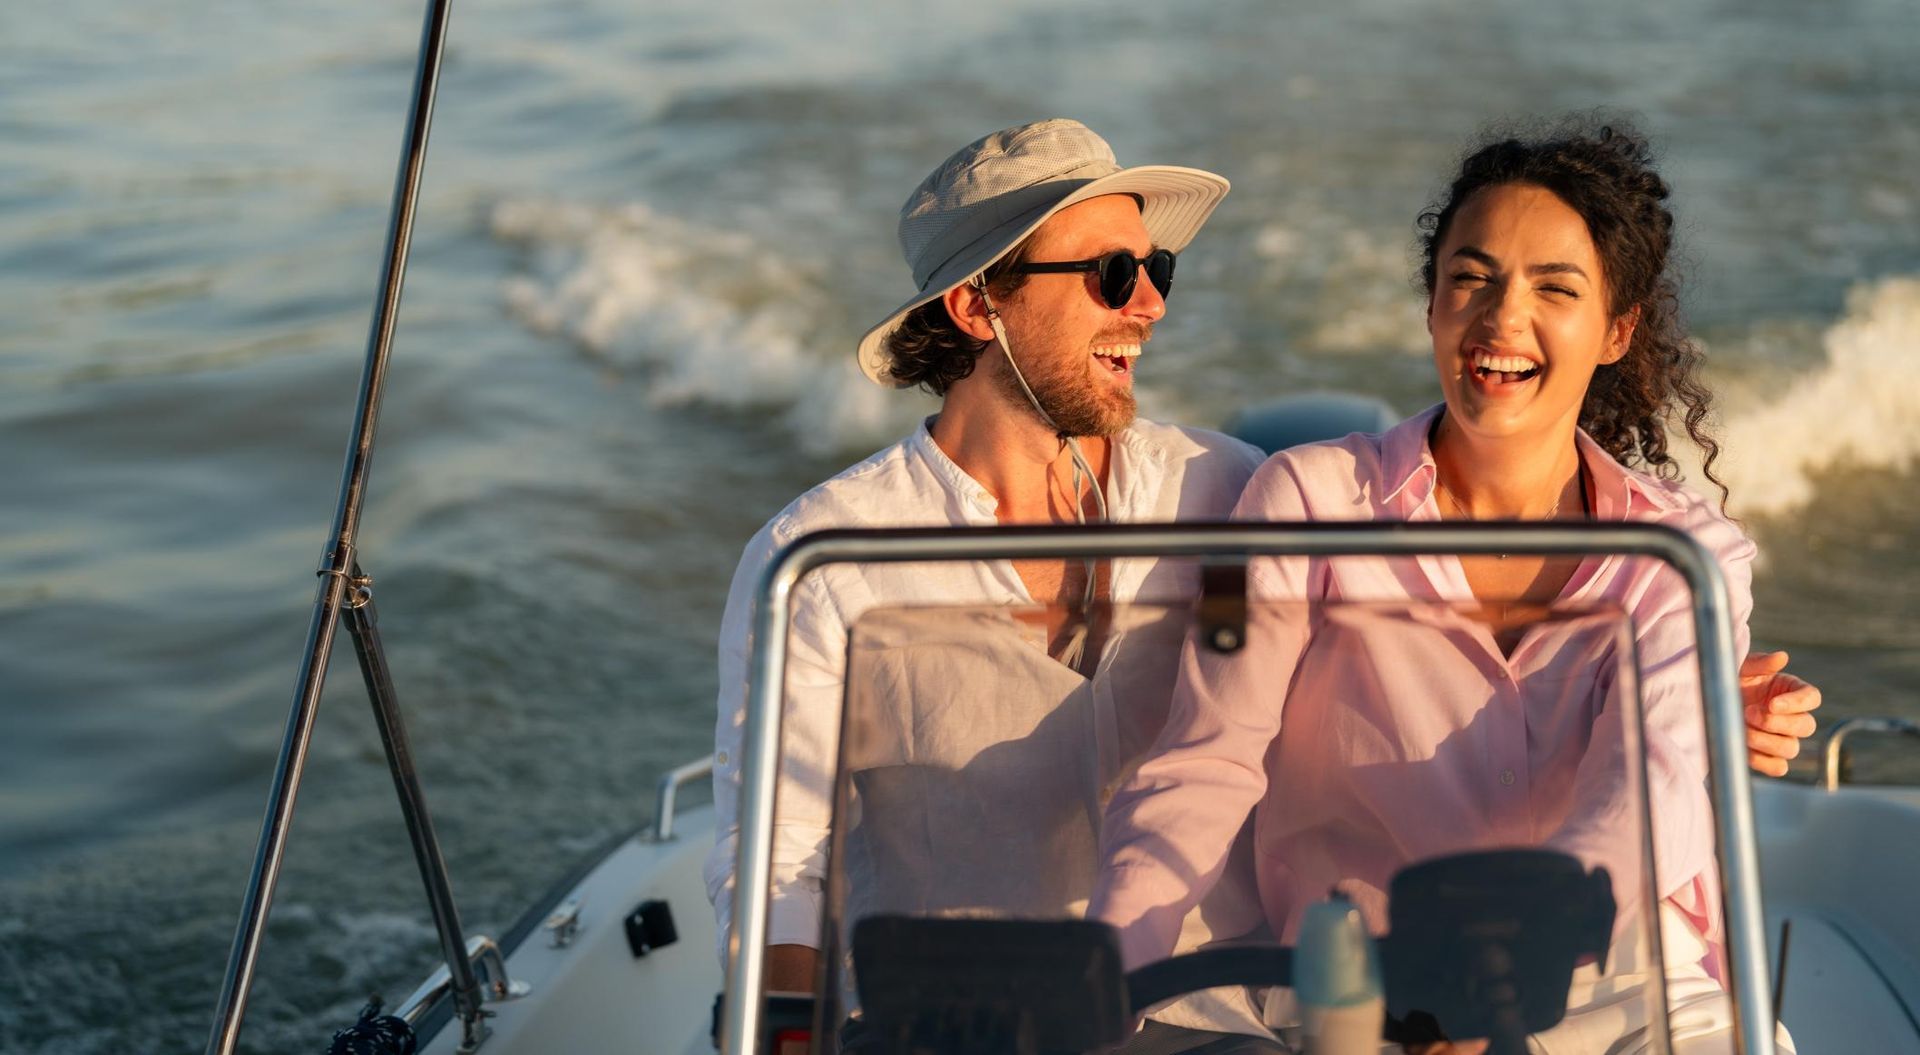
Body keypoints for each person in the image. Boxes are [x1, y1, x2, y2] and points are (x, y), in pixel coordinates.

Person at [707, 118, 1819, 1053]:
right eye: (1111, 275)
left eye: (1158, 271)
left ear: (1617, 327)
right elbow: (779, 860)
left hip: (1256, 1001)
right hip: (964, 1000)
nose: (1148, 303)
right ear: (976, 306)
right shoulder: (822, 560)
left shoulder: (1227, 490)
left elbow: (1649, 784)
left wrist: (1705, 704)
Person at [1089, 121, 1801, 1053]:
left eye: (1556, 287)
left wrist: (1499, 963)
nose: (1503, 317)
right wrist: (1102, 982)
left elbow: (1647, 787)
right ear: (1432, 305)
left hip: (1621, 980)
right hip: (1361, 990)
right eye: (1472, 278)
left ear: (1617, 331)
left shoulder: (1681, 554)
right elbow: (1208, 761)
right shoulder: (1306, 499)